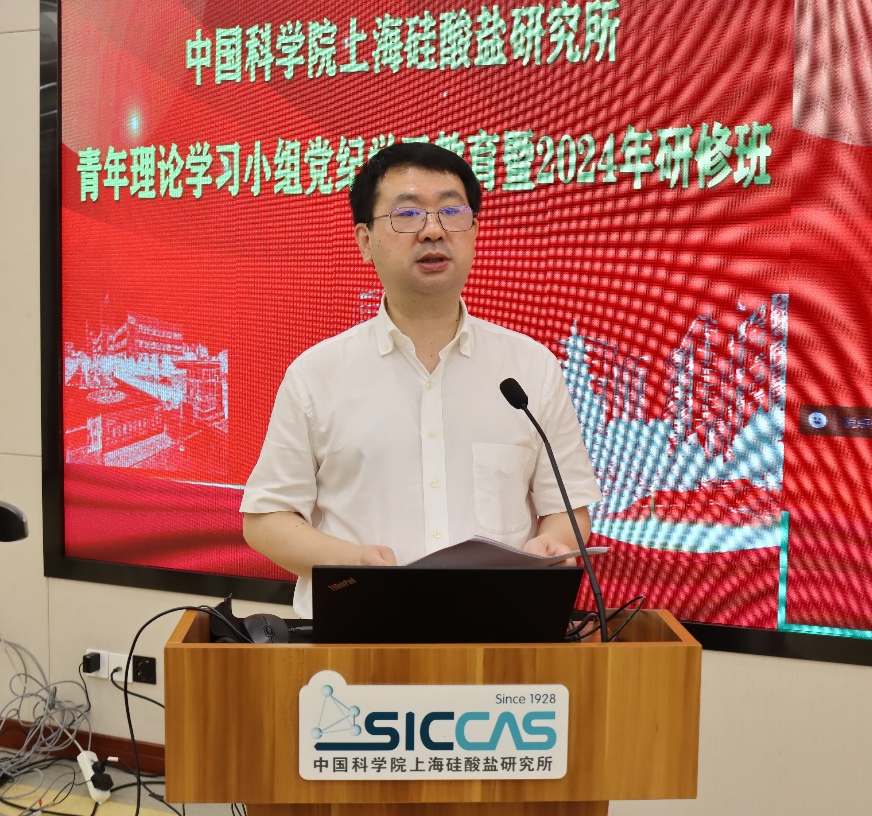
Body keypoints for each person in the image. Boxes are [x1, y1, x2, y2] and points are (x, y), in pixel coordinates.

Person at [240, 142, 601, 617]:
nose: (433, 230)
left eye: (452, 211)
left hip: (498, 634)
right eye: (407, 214)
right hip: (358, 635)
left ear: (474, 231)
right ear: (365, 241)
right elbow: (266, 519)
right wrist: (351, 563)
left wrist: (552, 544)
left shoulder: (530, 368)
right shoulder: (317, 374)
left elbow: (567, 509)